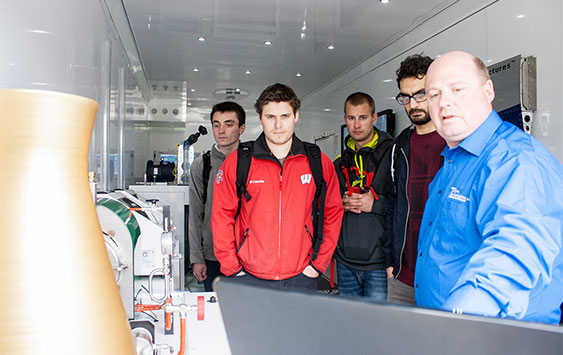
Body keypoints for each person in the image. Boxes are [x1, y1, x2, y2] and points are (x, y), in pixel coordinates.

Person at [415, 50, 563, 324]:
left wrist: (450, 328)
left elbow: (512, 256)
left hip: (486, 337)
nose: (445, 102)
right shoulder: (453, 160)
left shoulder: (516, 162)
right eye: (434, 95)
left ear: (488, 90)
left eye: (457, 89)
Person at [211, 83, 343, 292]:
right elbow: (221, 216)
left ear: (296, 116)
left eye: (285, 116)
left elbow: (333, 213)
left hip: (302, 275)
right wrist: (232, 268)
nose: (278, 125)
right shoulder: (238, 162)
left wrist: (317, 265)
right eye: (271, 117)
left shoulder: (317, 161)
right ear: (260, 118)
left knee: (296, 326)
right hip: (249, 275)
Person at [383, 54, 446, 305]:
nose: (412, 105)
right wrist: (390, 261)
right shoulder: (400, 146)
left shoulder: (455, 141)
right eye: (405, 97)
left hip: (444, 277)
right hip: (403, 275)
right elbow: (391, 205)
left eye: (420, 94)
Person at [333, 92, 393, 301]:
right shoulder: (339, 163)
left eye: (363, 118)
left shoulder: (393, 153)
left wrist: (374, 204)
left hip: (378, 263)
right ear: (345, 120)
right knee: (348, 327)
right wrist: (339, 203)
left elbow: (406, 204)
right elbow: (326, 207)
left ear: (374, 118)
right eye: (351, 118)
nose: (357, 125)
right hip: (345, 261)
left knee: (377, 328)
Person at [188, 101, 246, 291]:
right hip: (213, 257)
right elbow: (196, 215)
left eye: (229, 124)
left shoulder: (254, 163)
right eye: (216, 124)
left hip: (248, 256)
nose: (221, 130)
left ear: (241, 128)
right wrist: (197, 258)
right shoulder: (202, 165)